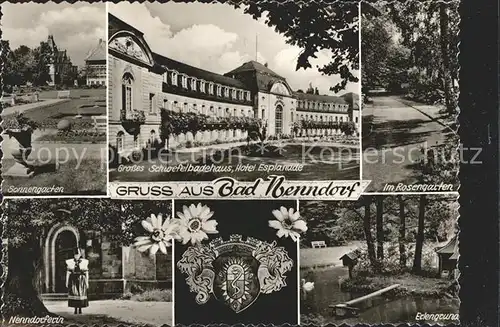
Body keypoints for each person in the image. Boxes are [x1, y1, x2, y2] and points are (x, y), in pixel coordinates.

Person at [65, 248, 89, 314]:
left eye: (78, 255)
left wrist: (87, 282)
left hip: (81, 279)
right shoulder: (70, 263)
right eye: (75, 255)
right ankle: (75, 309)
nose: (76, 256)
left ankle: (80, 309)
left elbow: (86, 273)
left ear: (80, 255)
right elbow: (68, 273)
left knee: (80, 294)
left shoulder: (84, 262)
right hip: (73, 279)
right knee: (75, 293)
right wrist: (67, 281)